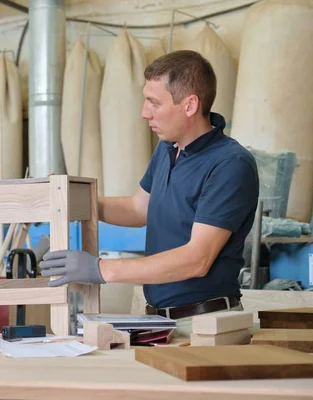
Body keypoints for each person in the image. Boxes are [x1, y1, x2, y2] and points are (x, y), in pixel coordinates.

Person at [40, 50, 259, 331]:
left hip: (204, 322)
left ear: (190, 105)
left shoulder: (230, 164)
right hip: (160, 319)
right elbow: (138, 208)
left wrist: (100, 269)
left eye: (153, 102)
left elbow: (197, 259)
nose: (144, 113)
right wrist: (72, 203)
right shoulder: (168, 149)